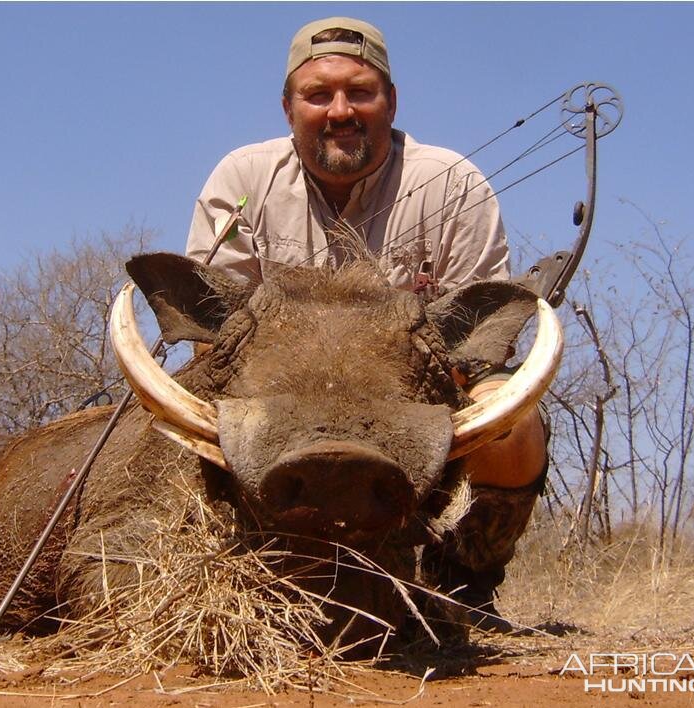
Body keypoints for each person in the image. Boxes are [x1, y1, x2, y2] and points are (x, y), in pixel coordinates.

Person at [185, 17, 548, 633]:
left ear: (392, 101)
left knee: (512, 419)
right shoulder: (242, 181)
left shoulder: (454, 183)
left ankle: (466, 580)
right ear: (288, 107)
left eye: (360, 92)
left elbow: (479, 343)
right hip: (276, 405)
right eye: (318, 94)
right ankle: (231, 571)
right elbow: (210, 335)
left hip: (410, 403)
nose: (340, 111)